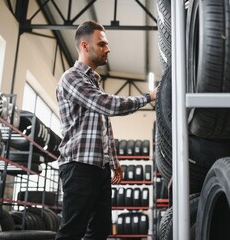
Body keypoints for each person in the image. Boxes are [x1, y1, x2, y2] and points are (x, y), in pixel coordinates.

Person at [55, 20, 157, 240]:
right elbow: (108, 105)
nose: (107, 48)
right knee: (72, 231)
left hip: (99, 168)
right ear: (84, 46)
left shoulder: (94, 82)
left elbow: (104, 126)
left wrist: (115, 162)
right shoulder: (71, 78)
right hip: (78, 166)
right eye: (102, 44)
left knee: (100, 230)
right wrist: (147, 97)